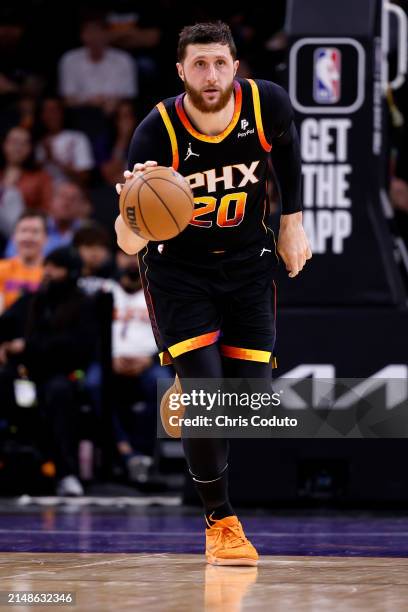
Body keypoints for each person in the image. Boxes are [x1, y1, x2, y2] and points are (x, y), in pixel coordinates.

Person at [115, 22, 311, 565]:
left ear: (235, 65)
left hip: (249, 265)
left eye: (219, 63)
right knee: (206, 398)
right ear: (181, 71)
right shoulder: (158, 132)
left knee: (247, 403)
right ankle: (220, 521)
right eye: (199, 64)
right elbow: (128, 239)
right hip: (180, 273)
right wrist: (131, 210)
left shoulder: (265, 103)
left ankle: (188, 388)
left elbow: (289, 156)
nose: (211, 74)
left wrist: (293, 223)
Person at [58, 14, 138, 115]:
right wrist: (90, 102)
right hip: (79, 113)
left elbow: (128, 95)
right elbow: (67, 98)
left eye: (98, 32)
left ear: (107, 34)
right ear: (82, 35)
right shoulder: (69, 59)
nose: (94, 37)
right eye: (89, 32)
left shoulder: (124, 59)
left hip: (114, 113)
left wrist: (111, 103)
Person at [35, 97, 94, 186]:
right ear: (42, 116)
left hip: (71, 191)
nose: (51, 115)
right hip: (46, 193)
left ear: (62, 113)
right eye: (46, 111)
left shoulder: (77, 138)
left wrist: (54, 159)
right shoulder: (39, 142)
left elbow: (84, 177)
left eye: (54, 110)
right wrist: (46, 158)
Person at [0, 210, 46, 314]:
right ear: (13, 237)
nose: (28, 237)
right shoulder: (1, 268)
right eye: (23, 231)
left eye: (35, 231)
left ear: (45, 238)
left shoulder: (51, 273)